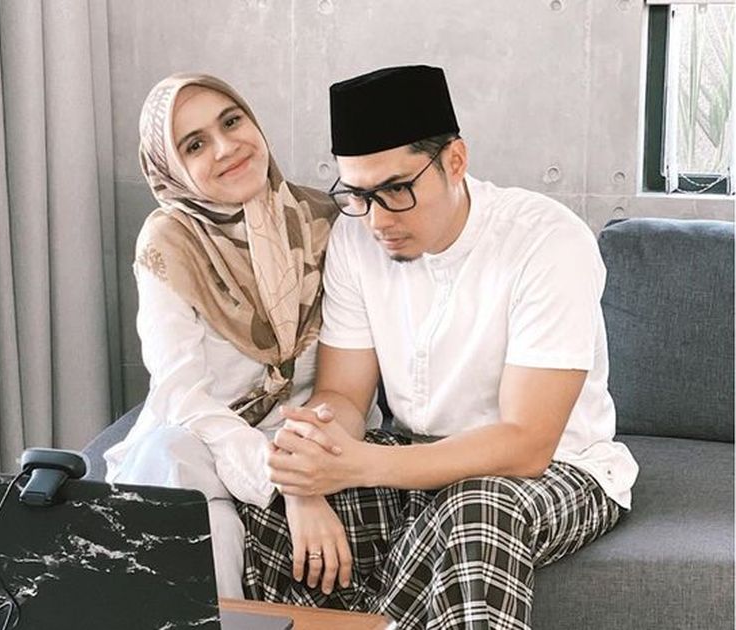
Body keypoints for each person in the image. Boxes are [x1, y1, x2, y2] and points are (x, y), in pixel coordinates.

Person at [239, 65, 639, 629]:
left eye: (397, 190)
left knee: (476, 509)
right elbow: (344, 395)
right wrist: (310, 469)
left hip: (557, 470)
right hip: (413, 457)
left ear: (455, 161)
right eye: (359, 195)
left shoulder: (547, 240)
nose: (378, 220)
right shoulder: (355, 237)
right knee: (268, 507)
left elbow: (526, 443)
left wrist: (364, 464)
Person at [102, 73, 357, 599]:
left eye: (231, 121)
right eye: (194, 145)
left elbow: (354, 376)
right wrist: (292, 483)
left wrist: (304, 460)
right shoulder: (170, 242)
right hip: (204, 438)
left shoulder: (326, 220)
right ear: (170, 168)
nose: (225, 148)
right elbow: (181, 396)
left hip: (311, 432)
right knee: (177, 474)